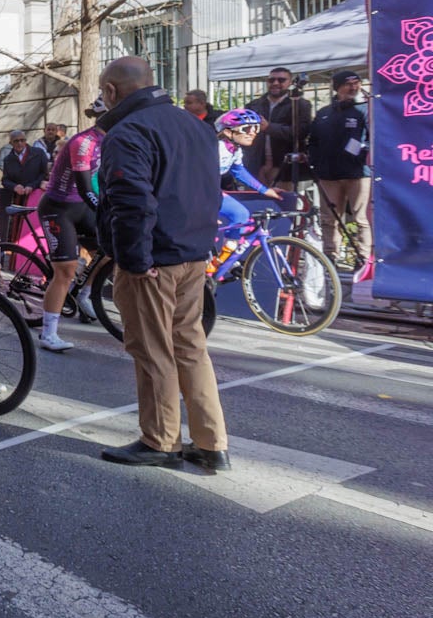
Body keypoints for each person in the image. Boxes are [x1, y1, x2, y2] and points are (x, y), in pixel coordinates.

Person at [95, 56, 229, 473]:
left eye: (103, 92)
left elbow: (132, 202)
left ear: (112, 91)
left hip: (154, 257)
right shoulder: (196, 125)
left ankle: (160, 440)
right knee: (190, 346)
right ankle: (211, 442)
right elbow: (211, 191)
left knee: (153, 350)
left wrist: (135, 261)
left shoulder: (128, 131)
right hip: (192, 252)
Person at [34, 98, 107, 352]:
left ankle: (83, 295)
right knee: (65, 271)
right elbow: (86, 188)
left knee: (109, 251)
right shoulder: (84, 142)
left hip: (82, 207)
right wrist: (105, 210)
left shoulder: (112, 140)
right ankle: (48, 333)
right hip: (59, 208)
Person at [307, 70, 372, 265]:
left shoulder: (366, 109)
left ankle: (364, 258)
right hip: (328, 175)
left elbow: (373, 138)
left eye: (356, 83)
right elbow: (313, 140)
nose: (353, 87)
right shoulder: (324, 112)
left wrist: (359, 154)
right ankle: (331, 256)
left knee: (361, 219)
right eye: (348, 84)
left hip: (357, 174)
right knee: (329, 219)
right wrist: (316, 163)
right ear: (337, 87)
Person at [211, 108, 285, 266]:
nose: (252, 133)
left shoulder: (234, 149)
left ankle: (220, 264)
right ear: (228, 132)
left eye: (256, 128)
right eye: (246, 129)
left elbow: (239, 171)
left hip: (211, 192)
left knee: (240, 215)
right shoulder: (216, 149)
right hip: (196, 193)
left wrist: (265, 190)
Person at [243, 66, 313, 190]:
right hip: (256, 166)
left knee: (282, 201)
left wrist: (269, 127)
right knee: (255, 201)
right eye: (271, 80)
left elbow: (301, 132)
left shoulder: (300, 104)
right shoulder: (254, 105)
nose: (275, 83)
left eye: (281, 80)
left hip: (284, 168)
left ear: (290, 82)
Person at [0, 129, 48, 244]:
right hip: (19, 197)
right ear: (11, 143)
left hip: (36, 195)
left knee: (36, 226)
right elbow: (5, 180)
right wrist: (14, 186)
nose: (20, 143)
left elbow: (44, 174)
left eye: (22, 140)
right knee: (19, 228)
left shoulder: (38, 153)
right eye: (16, 141)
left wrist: (32, 185)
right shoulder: (8, 159)